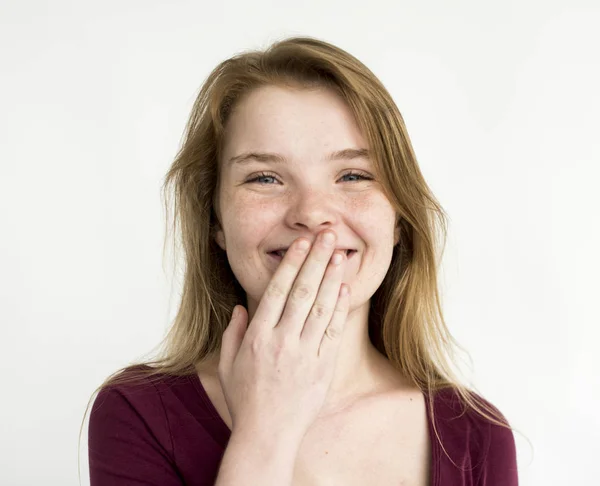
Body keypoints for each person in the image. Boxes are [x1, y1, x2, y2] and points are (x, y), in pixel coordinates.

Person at [82, 36, 519, 485]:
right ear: (215, 219)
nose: (311, 213)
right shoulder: (138, 413)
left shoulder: (477, 436)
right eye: (265, 178)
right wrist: (266, 430)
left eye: (353, 175)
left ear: (399, 219)